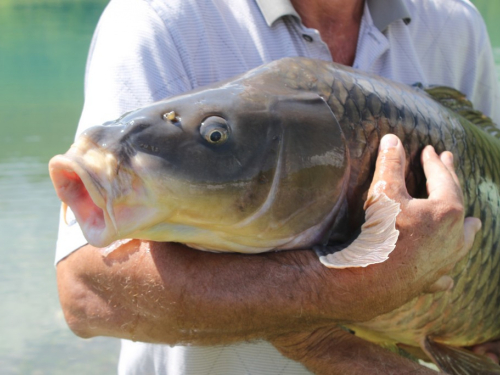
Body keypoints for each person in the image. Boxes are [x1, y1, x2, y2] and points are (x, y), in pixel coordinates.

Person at [55, 0, 500, 374]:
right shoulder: (159, 18)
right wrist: (342, 295)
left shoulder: (454, 23)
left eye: (215, 136)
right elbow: (87, 290)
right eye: (216, 136)